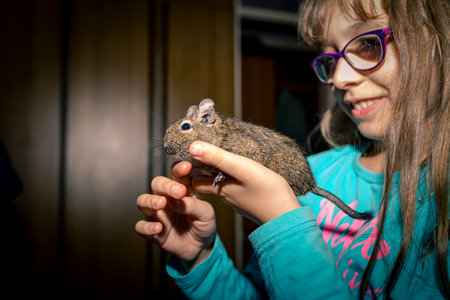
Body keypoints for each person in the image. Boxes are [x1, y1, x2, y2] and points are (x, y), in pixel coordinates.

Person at [135, 0, 449, 298]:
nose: (338, 79)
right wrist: (201, 259)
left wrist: (281, 221)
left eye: (368, 44)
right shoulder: (318, 172)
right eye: (329, 60)